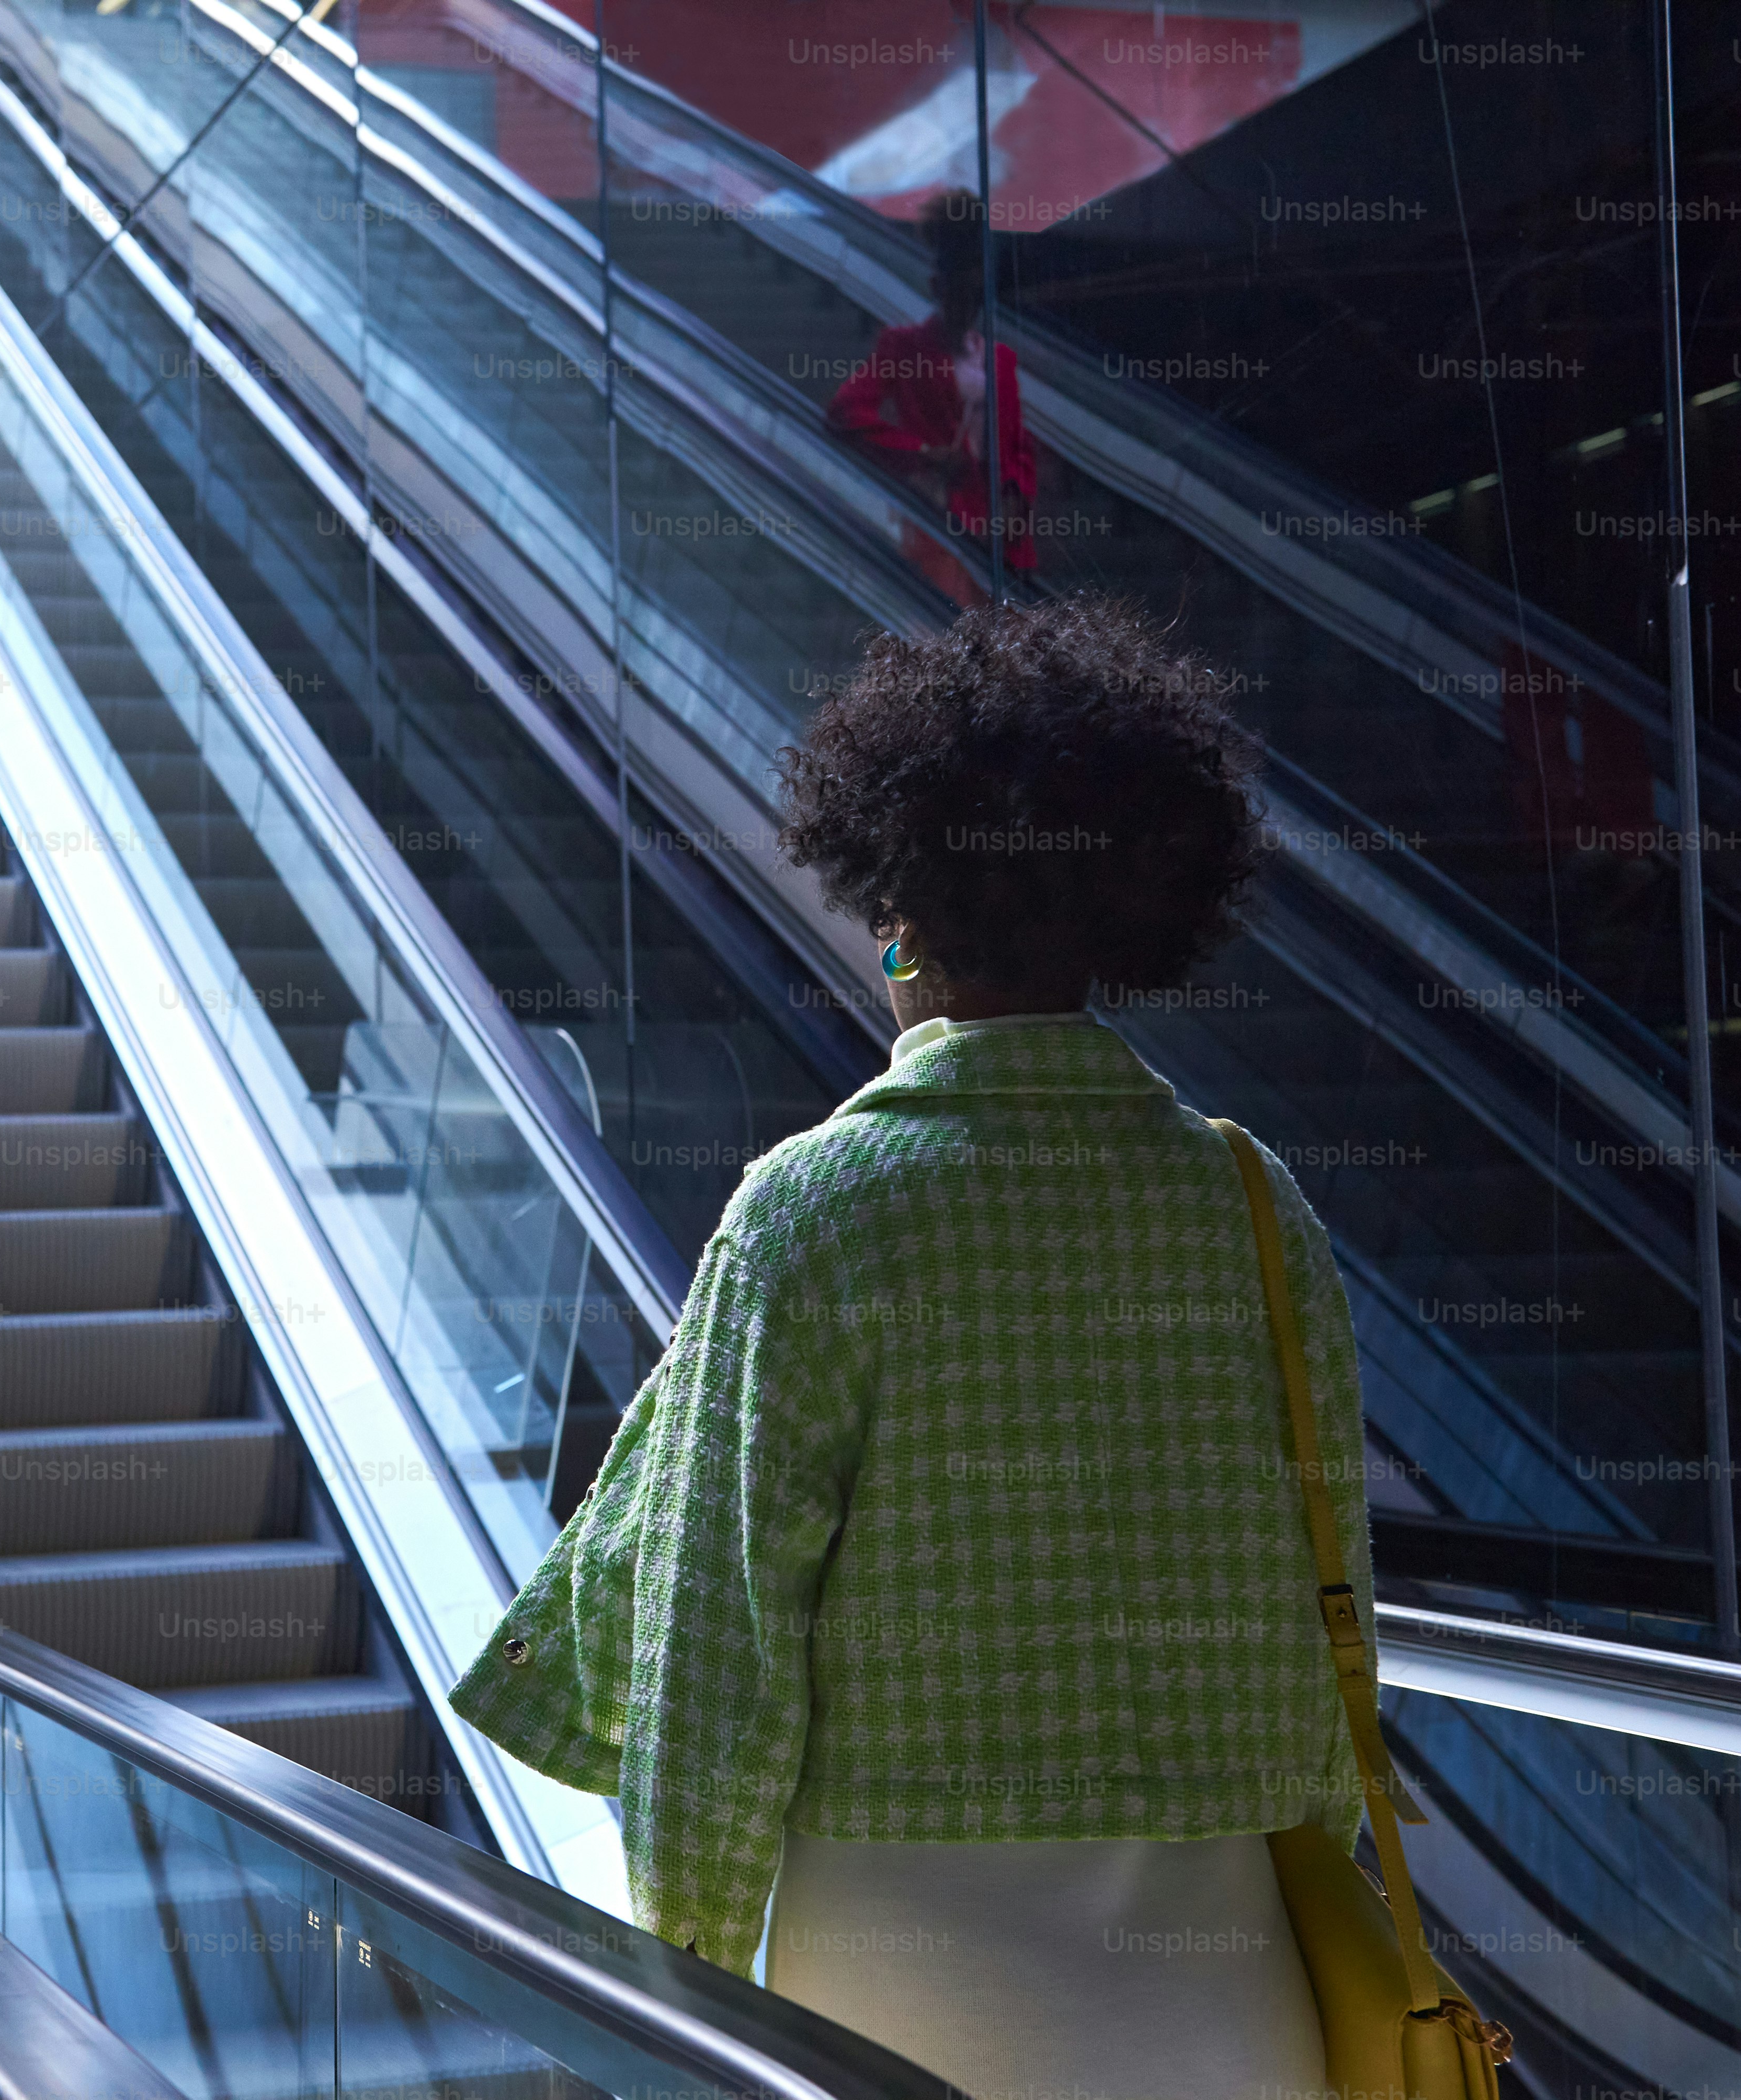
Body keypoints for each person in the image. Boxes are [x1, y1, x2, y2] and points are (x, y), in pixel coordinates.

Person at [451, 599, 1370, 2098]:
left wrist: (676, 1965)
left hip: (904, 1978)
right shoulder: (1257, 1208)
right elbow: (1336, 1591)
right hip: (1229, 1975)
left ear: (904, 914)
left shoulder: (820, 1215)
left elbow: (718, 1638)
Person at [829, 191, 1036, 606]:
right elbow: (845, 412)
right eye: (958, 296)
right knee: (946, 630)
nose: (966, 309)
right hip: (939, 520)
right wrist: (923, 453)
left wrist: (1015, 498)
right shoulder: (904, 347)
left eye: (974, 299)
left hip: (996, 535)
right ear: (938, 289)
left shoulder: (998, 360)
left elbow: (1017, 447)